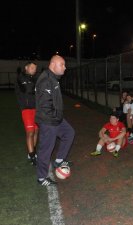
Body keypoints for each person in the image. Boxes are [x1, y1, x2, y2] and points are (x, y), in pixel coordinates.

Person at [35, 55, 75, 186]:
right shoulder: (46, 80)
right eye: (62, 64)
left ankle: (58, 160)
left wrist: (58, 117)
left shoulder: (53, 78)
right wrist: (54, 119)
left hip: (56, 118)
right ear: (53, 65)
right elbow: (45, 105)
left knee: (69, 133)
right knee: (46, 149)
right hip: (49, 120)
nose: (65, 67)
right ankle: (41, 178)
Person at [15, 62, 39, 165]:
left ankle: (32, 151)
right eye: (32, 67)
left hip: (36, 109)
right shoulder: (20, 78)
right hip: (26, 109)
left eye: (35, 68)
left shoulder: (36, 78)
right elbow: (26, 90)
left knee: (36, 131)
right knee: (30, 132)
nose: (34, 69)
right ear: (26, 68)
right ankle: (32, 156)